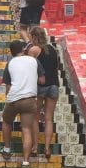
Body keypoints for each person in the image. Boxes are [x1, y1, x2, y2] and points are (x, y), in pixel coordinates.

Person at [0, 38, 43, 167]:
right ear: (24, 49)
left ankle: (7, 149)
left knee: (7, 121)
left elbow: (8, 86)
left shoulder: (11, 63)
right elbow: (42, 80)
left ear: (11, 52)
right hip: (29, 100)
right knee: (26, 129)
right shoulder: (34, 61)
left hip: (13, 98)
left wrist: (9, 97)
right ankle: (25, 160)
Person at [25, 26, 60, 160]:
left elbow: (27, 67)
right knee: (49, 119)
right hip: (54, 86)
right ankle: (47, 148)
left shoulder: (34, 50)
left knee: (35, 117)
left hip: (40, 87)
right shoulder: (53, 49)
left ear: (33, 37)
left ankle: (34, 146)